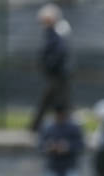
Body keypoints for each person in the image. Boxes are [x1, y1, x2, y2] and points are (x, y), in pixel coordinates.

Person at [30, 3, 71, 132]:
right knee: (60, 102)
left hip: (58, 73)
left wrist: (49, 64)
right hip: (56, 73)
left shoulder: (58, 32)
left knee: (54, 101)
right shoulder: (52, 32)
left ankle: (35, 127)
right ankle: (64, 127)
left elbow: (60, 52)